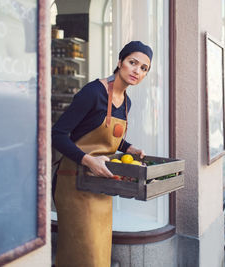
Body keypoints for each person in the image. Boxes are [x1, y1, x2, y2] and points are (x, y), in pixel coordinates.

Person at [52, 41, 153, 267]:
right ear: (120, 62)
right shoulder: (93, 93)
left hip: (100, 187)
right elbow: (57, 134)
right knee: (81, 255)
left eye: (144, 68)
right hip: (73, 182)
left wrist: (129, 148)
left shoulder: (127, 103)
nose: (137, 70)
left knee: (99, 253)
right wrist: (88, 161)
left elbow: (105, 135)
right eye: (132, 62)